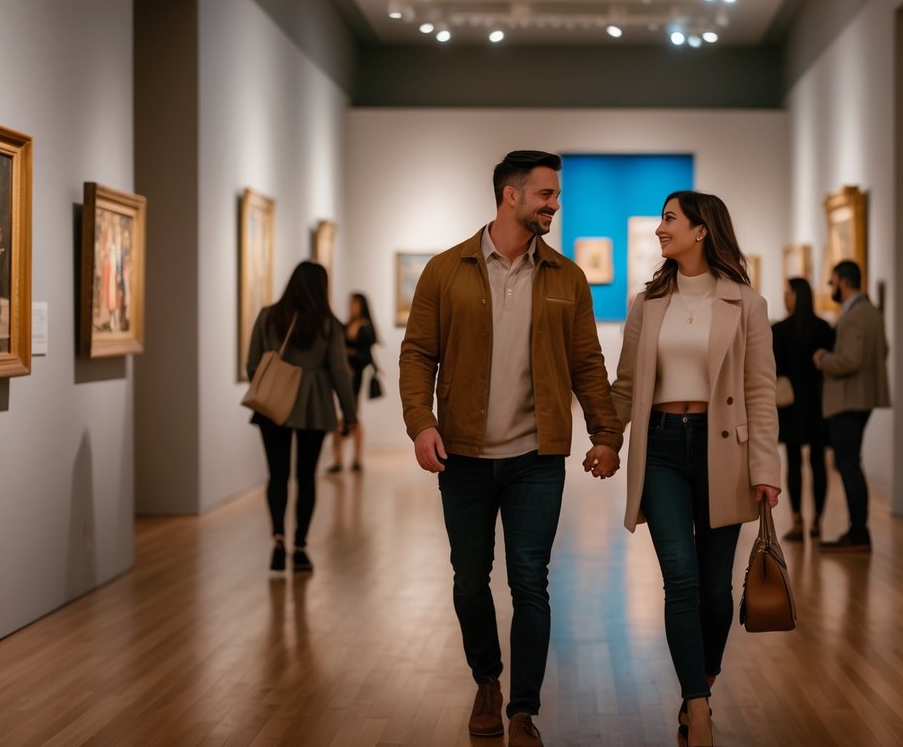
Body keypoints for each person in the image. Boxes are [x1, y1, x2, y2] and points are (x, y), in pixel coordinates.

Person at [399, 150, 622, 747]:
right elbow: (418, 353)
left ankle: (523, 709)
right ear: (511, 196)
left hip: (536, 459)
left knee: (531, 581)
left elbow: (587, 364)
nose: (555, 204)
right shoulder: (446, 271)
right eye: (546, 194)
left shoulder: (567, 278)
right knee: (470, 579)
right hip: (463, 459)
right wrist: (421, 422)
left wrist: (606, 432)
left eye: (556, 195)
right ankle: (486, 681)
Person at [611, 191, 781, 747]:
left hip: (722, 451)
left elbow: (759, 391)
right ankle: (698, 704)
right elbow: (627, 385)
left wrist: (766, 467)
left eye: (669, 219)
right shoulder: (647, 303)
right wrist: (607, 441)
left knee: (713, 589)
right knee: (679, 576)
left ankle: (703, 676)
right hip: (660, 448)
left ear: (701, 230)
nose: (661, 229)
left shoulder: (745, 304)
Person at [247, 261, 357, 573]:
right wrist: (350, 413)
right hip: (314, 405)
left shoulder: (268, 316)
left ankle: (278, 541)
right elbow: (338, 371)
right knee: (306, 477)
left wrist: (273, 382)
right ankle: (301, 546)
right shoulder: (327, 324)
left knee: (277, 475)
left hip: (272, 407)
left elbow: (252, 363)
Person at [813, 260, 889, 553]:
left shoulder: (857, 315)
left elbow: (850, 360)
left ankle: (858, 533)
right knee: (849, 463)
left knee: (848, 465)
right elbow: (883, 350)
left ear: (843, 281)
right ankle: (858, 531)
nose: (831, 288)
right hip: (859, 398)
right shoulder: (870, 312)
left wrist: (823, 359)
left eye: (832, 282)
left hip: (849, 400)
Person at [772, 277, 834, 542]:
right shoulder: (824, 328)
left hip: (791, 402)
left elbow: (773, 367)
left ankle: (797, 521)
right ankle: (818, 521)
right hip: (819, 403)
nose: (785, 297)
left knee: (795, 461)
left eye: (787, 293)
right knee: (819, 462)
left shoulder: (780, 330)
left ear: (797, 295)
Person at [327, 292, 378, 473]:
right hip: (341, 376)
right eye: (351, 304)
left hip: (354, 377)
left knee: (352, 415)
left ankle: (356, 458)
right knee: (339, 418)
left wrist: (350, 354)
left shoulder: (365, 327)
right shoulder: (345, 325)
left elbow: (366, 356)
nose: (351, 307)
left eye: (355, 304)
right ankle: (338, 459)